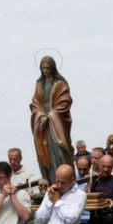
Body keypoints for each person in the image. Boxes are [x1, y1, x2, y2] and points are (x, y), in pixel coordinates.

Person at [30, 56, 74, 185]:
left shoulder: (60, 83)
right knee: (45, 151)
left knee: (58, 151)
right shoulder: (39, 84)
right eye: (43, 68)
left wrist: (50, 116)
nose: (45, 71)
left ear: (53, 68)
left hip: (56, 122)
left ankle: (63, 180)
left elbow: (65, 101)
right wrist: (40, 115)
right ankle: (48, 179)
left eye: (48, 68)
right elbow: (35, 103)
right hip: (42, 121)